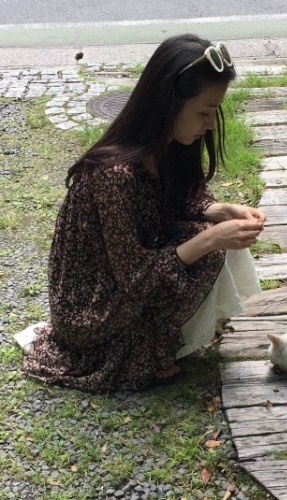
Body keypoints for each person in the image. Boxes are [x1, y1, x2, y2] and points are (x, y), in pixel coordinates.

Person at [17, 34, 266, 392]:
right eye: (204, 113)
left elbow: (184, 197)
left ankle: (160, 340)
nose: (210, 125)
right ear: (168, 103)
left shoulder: (173, 143)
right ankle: (150, 345)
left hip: (131, 274)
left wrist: (217, 210)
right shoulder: (112, 174)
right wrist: (209, 238)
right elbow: (135, 279)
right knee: (208, 245)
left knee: (211, 242)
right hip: (93, 305)